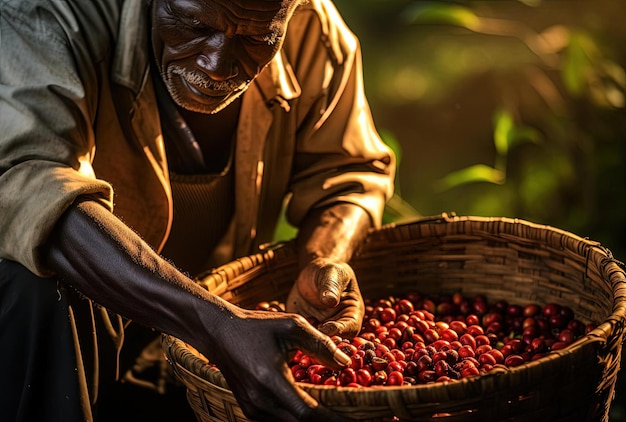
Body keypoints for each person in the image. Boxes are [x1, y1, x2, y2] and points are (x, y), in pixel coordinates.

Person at [0, 0, 395, 420]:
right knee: (36, 285)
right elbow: (32, 180)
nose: (218, 66)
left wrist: (322, 260)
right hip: (54, 343)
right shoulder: (50, 14)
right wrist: (215, 325)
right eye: (193, 23)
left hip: (178, 345)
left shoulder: (311, 29)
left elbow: (348, 171)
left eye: (256, 39)